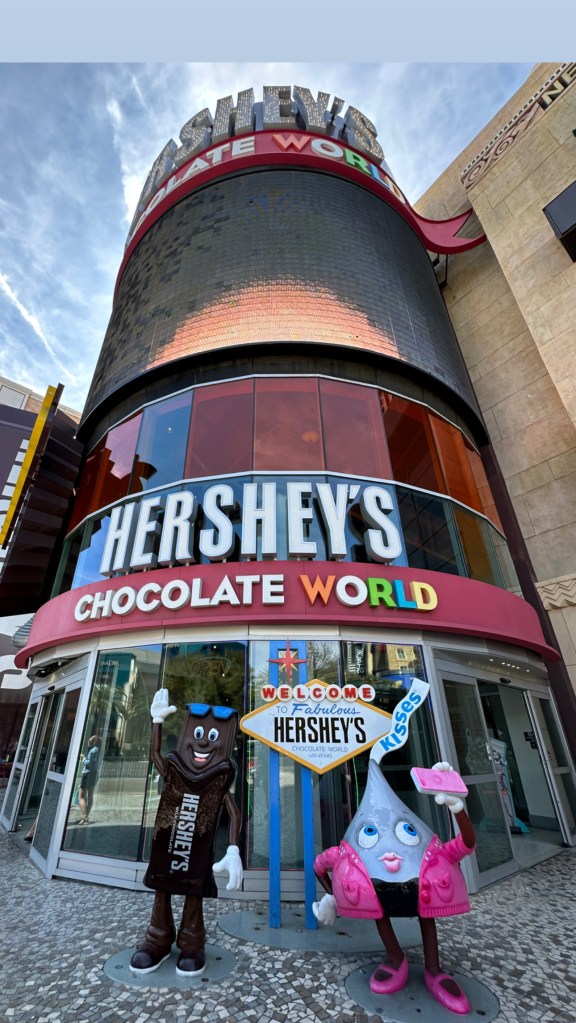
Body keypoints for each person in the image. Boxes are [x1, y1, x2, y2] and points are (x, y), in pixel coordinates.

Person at [313, 759, 475, 1015]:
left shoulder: (430, 853)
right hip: (380, 892)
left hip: (417, 888)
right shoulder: (347, 854)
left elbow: (466, 844)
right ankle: (395, 957)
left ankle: (434, 968)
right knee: (380, 912)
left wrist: (457, 808)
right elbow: (319, 866)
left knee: (426, 914)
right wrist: (334, 896)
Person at [129, 691, 243, 978]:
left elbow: (234, 812)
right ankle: (158, 938)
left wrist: (233, 850)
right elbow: (155, 755)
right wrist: (157, 722)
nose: (203, 743)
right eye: (199, 734)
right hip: (168, 842)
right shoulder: (175, 770)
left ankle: (192, 943)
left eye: (213, 737)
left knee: (194, 891)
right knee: (162, 887)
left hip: (197, 847)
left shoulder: (218, 780)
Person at [77, 735, 101, 824]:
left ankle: (84, 816)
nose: (88, 742)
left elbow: (89, 763)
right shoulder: (98, 750)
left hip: (88, 774)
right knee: (90, 796)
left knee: (81, 797)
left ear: (93, 742)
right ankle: (85, 818)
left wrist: (83, 758)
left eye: (90, 741)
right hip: (94, 774)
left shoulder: (93, 750)